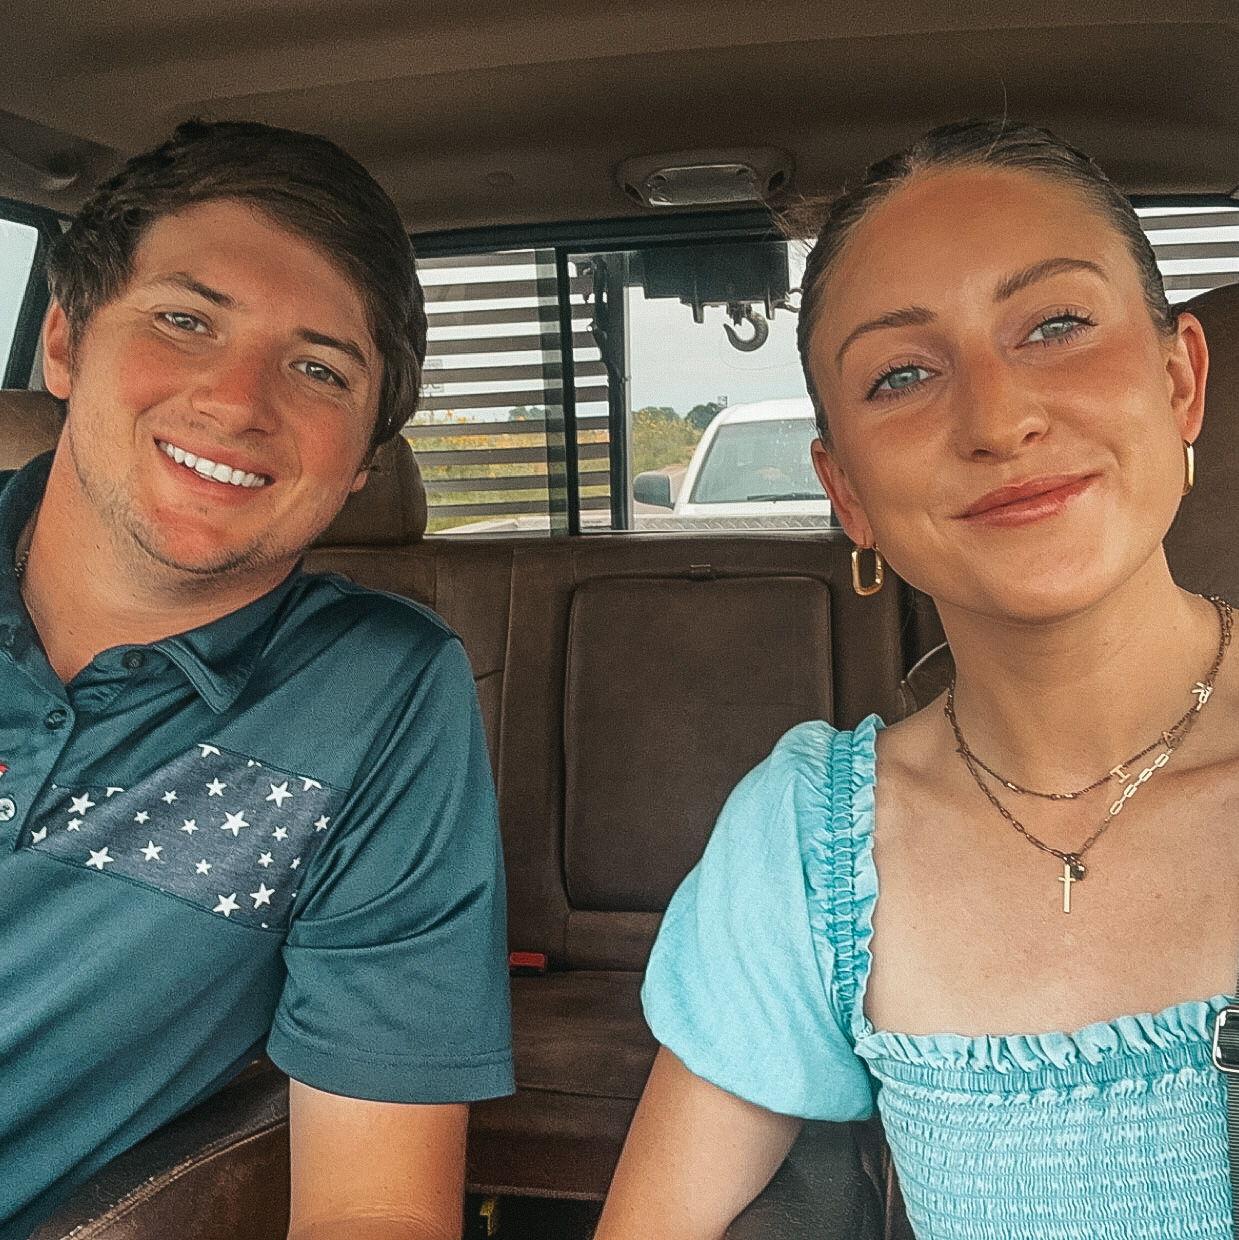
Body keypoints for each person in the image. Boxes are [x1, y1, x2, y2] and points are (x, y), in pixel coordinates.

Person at [596, 119, 1237, 1239]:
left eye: (1055, 326)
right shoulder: (811, 848)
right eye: (901, 375)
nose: (998, 419)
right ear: (845, 491)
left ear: (1180, 379)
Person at [0, 120, 513, 1240]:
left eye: (319, 368)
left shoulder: (377, 693)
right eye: (185, 320)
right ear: (64, 340)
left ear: (365, 459)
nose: (237, 401)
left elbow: (374, 1208)